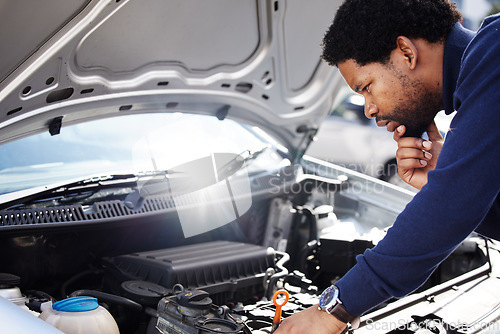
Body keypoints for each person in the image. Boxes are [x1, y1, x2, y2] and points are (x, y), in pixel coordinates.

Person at [275, 0, 500, 332]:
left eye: (366, 87)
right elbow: (460, 205)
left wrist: (332, 309)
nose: (368, 108)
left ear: (406, 52)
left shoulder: (494, 51)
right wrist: (450, 175)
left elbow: (450, 208)